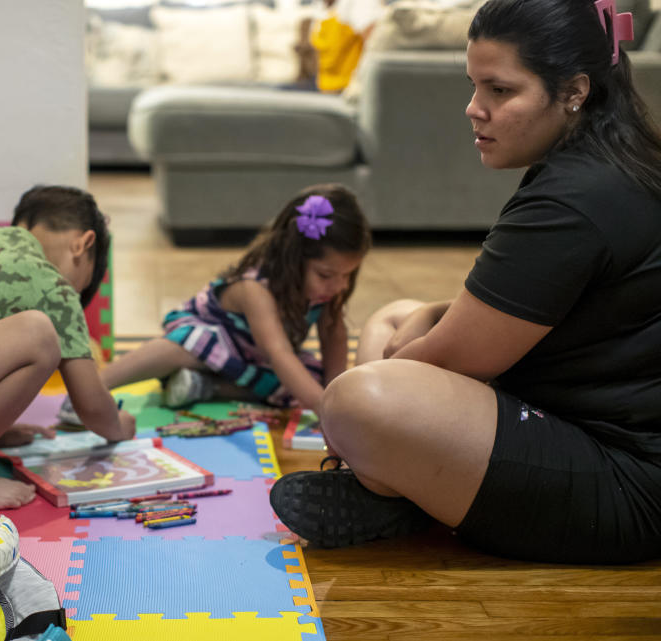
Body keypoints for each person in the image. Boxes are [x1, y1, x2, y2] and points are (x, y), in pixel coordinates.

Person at [270, 0, 661, 564]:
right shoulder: (609, 162)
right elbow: (542, 308)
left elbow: (448, 364)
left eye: (500, 91)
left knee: (358, 400)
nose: (474, 109)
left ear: (574, 91)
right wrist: (425, 323)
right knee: (394, 316)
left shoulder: (573, 200)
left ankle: (404, 491)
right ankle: (412, 487)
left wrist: (386, 389)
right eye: (475, 86)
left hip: (623, 487)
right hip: (582, 424)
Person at [0, 185, 136, 510]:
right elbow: (93, 409)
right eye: (82, 287)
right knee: (40, 339)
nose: (75, 298)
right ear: (83, 244)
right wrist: (121, 425)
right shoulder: (54, 288)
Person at [99, 183, 371, 414]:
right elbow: (278, 353)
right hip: (210, 337)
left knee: (310, 379)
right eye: (326, 275)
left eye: (347, 275)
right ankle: (96, 385)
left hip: (252, 358)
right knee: (191, 344)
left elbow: (333, 336)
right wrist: (325, 410)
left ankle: (206, 386)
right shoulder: (255, 287)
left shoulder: (329, 290)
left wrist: (336, 399)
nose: (338, 285)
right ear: (293, 257)